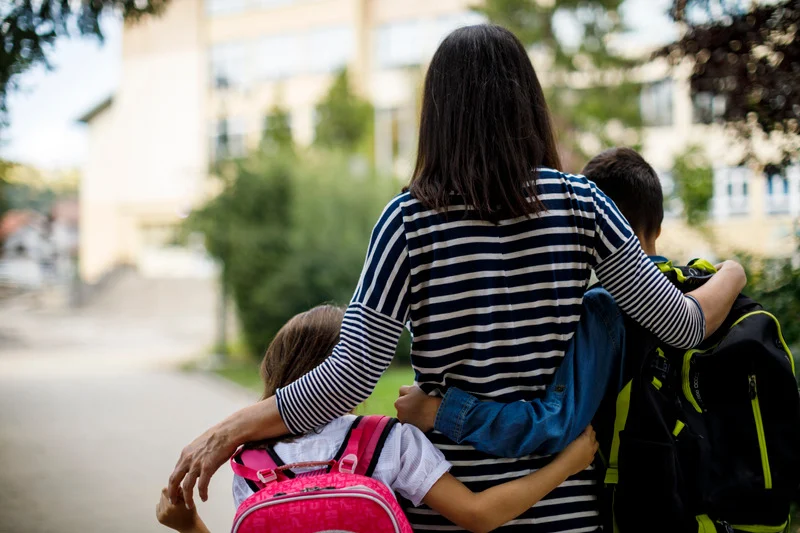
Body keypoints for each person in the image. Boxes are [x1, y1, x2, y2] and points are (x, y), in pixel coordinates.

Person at [169, 26, 746, 532]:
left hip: (448, 508)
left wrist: (235, 427)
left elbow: (348, 378)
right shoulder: (582, 205)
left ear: (437, 114)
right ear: (529, 106)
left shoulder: (408, 222)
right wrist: (735, 270)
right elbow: (682, 322)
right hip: (564, 508)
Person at [156, 305, 599, 533]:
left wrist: (188, 524)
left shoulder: (252, 463)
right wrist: (567, 464)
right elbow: (479, 516)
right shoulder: (388, 441)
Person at [393, 147, 681, 459]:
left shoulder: (603, 310)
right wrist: (732, 273)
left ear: (605, 231)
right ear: (659, 227)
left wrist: (438, 411)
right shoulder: (700, 290)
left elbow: (553, 423)